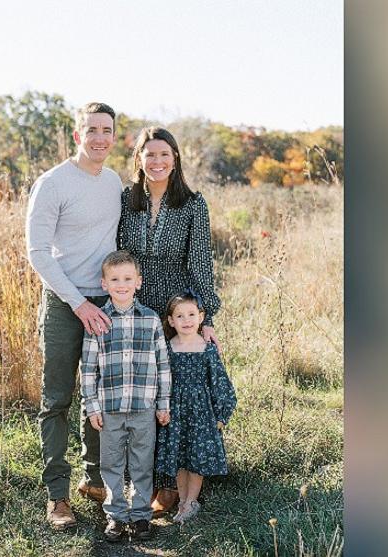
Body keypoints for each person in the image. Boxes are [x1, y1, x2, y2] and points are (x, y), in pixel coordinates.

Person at [25, 102, 122, 530]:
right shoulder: (53, 183)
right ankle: (57, 497)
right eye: (92, 129)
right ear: (76, 134)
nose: (99, 137)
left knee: (99, 398)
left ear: (114, 136)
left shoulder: (115, 181)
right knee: (58, 399)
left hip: (104, 305)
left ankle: (95, 481)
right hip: (66, 305)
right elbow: (38, 253)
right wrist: (77, 303)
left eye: (107, 130)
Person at [116, 126, 221, 514]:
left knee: (175, 395)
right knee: (139, 393)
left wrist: (206, 316)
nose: (157, 162)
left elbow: (199, 265)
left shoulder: (193, 204)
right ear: (138, 159)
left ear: (175, 159)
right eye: (150, 154)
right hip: (135, 304)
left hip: (175, 308)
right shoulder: (126, 200)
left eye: (165, 154)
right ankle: (136, 481)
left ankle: (172, 485)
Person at [80, 251, 171, 542]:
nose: (122, 284)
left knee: (143, 462)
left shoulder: (151, 320)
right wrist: (92, 407)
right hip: (110, 407)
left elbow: (163, 365)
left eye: (128, 278)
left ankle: (141, 515)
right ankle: (117, 515)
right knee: (112, 464)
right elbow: (88, 368)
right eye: (115, 279)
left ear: (139, 282)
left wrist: (163, 403)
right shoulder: (98, 321)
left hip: (144, 406)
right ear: (104, 284)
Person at [154, 291, 237, 524]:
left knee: (196, 457)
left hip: (201, 413)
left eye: (191, 314)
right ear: (171, 321)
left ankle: (192, 501)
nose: (186, 320)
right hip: (175, 411)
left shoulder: (207, 348)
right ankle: (182, 500)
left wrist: (221, 415)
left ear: (201, 317)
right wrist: (161, 407)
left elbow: (220, 382)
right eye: (180, 316)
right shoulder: (168, 348)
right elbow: (161, 380)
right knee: (179, 456)